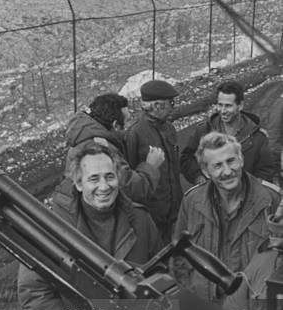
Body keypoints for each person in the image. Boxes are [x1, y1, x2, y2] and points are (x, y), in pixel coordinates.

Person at [18, 143, 162, 310]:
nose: (104, 186)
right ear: (78, 183)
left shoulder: (141, 219)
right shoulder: (53, 228)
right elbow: (34, 291)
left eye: (110, 177)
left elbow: (160, 271)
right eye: (94, 179)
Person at [174, 132, 281, 301]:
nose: (227, 171)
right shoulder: (192, 201)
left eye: (231, 161)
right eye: (217, 166)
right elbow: (179, 256)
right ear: (206, 171)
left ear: (241, 160)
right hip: (205, 308)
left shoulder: (271, 200)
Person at [64, 93, 165, 204]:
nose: (128, 128)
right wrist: (150, 166)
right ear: (115, 125)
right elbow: (133, 191)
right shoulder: (98, 149)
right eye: (126, 122)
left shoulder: (85, 135)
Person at [180, 80, 278, 185]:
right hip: (211, 196)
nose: (222, 111)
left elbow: (265, 171)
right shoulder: (204, 131)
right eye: (220, 105)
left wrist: (249, 191)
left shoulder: (257, 137)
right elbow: (186, 158)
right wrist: (199, 178)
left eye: (228, 106)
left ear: (240, 106)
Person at [125, 80, 183, 243]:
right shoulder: (135, 133)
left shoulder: (169, 128)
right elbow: (130, 178)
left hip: (173, 212)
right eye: (170, 103)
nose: (173, 107)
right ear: (157, 106)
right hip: (151, 217)